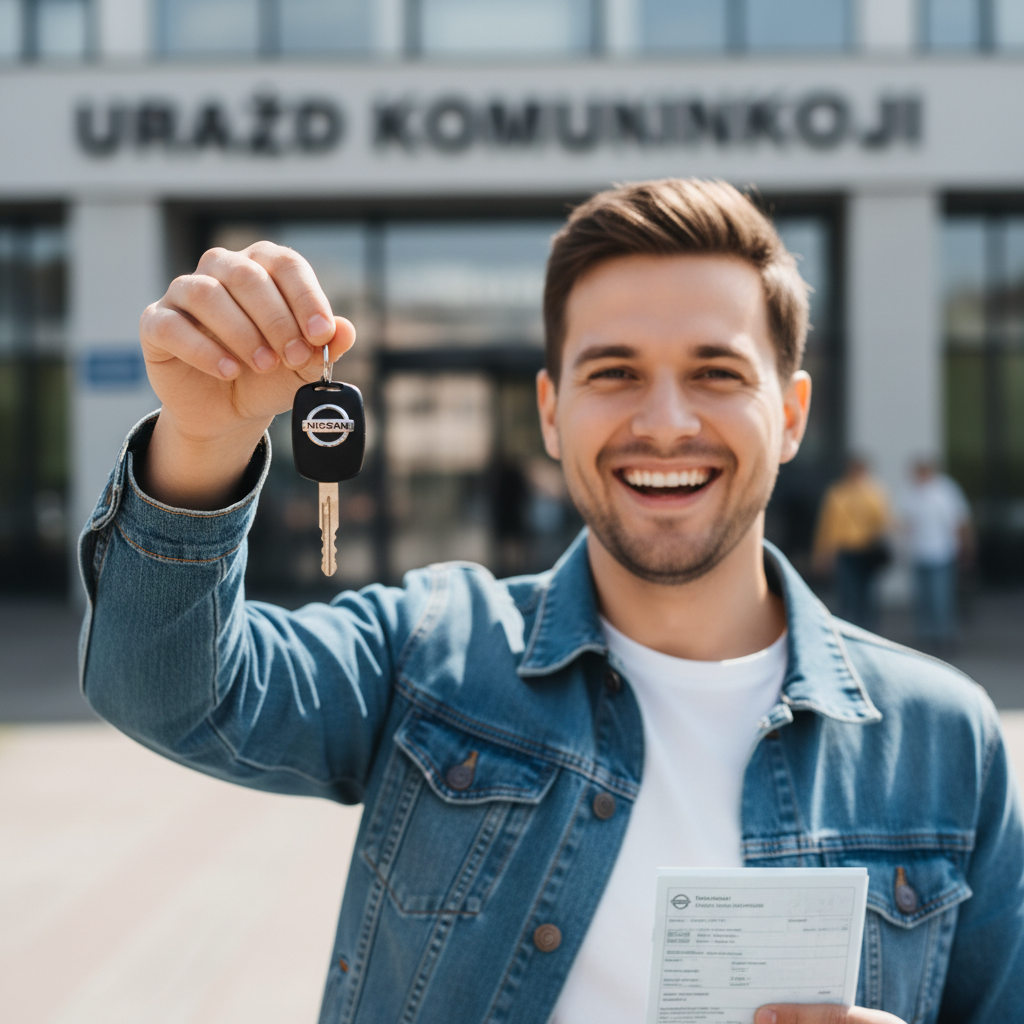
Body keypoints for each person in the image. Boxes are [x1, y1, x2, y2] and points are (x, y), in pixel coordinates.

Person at [79, 179, 1023, 1024]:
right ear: (550, 410)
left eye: (716, 372)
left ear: (790, 413)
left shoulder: (945, 741)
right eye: (614, 372)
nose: (664, 422)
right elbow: (170, 691)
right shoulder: (433, 652)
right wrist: (201, 440)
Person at [812, 457, 891, 631]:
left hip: (868, 550)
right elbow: (828, 525)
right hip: (846, 550)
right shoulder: (838, 492)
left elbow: (883, 521)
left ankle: (869, 630)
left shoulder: (873, 492)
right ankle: (849, 629)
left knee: (868, 594)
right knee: (848, 593)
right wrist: (823, 553)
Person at [902, 458, 973, 650]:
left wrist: (964, 547)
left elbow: (959, 520)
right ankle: (926, 635)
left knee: (940, 597)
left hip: (941, 552)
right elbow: (907, 521)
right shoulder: (914, 492)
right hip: (919, 552)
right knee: (923, 598)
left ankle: (944, 634)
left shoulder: (945, 490)